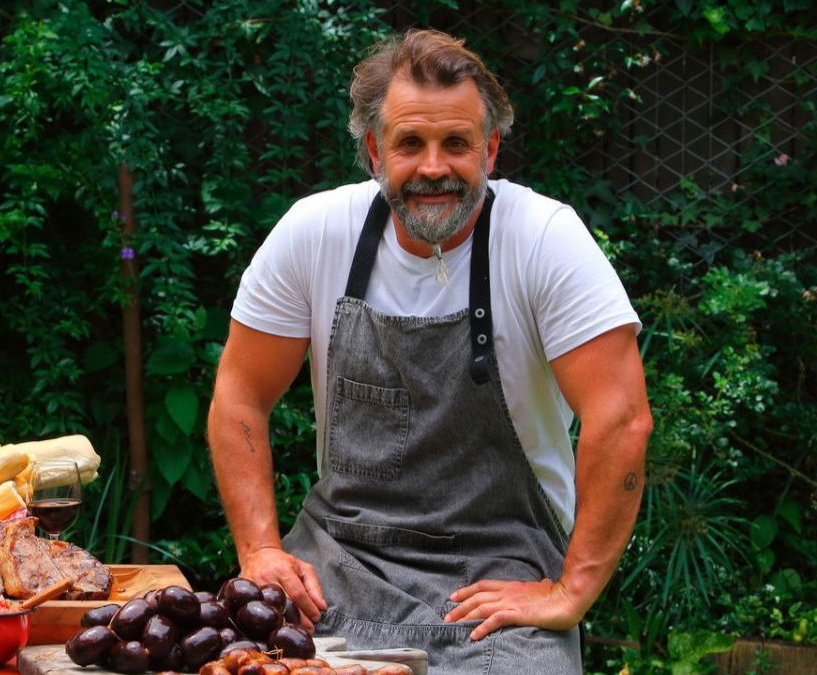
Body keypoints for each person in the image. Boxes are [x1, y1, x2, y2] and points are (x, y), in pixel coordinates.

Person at [207, 28, 653, 673]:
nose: (434, 167)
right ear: (373, 150)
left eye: (457, 143)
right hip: (336, 567)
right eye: (410, 143)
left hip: (499, 581)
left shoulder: (545, 240)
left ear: (491, 148)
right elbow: (239, 396)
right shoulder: (314, 232)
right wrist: (259, 551)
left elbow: (622, 418)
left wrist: (571, 592)